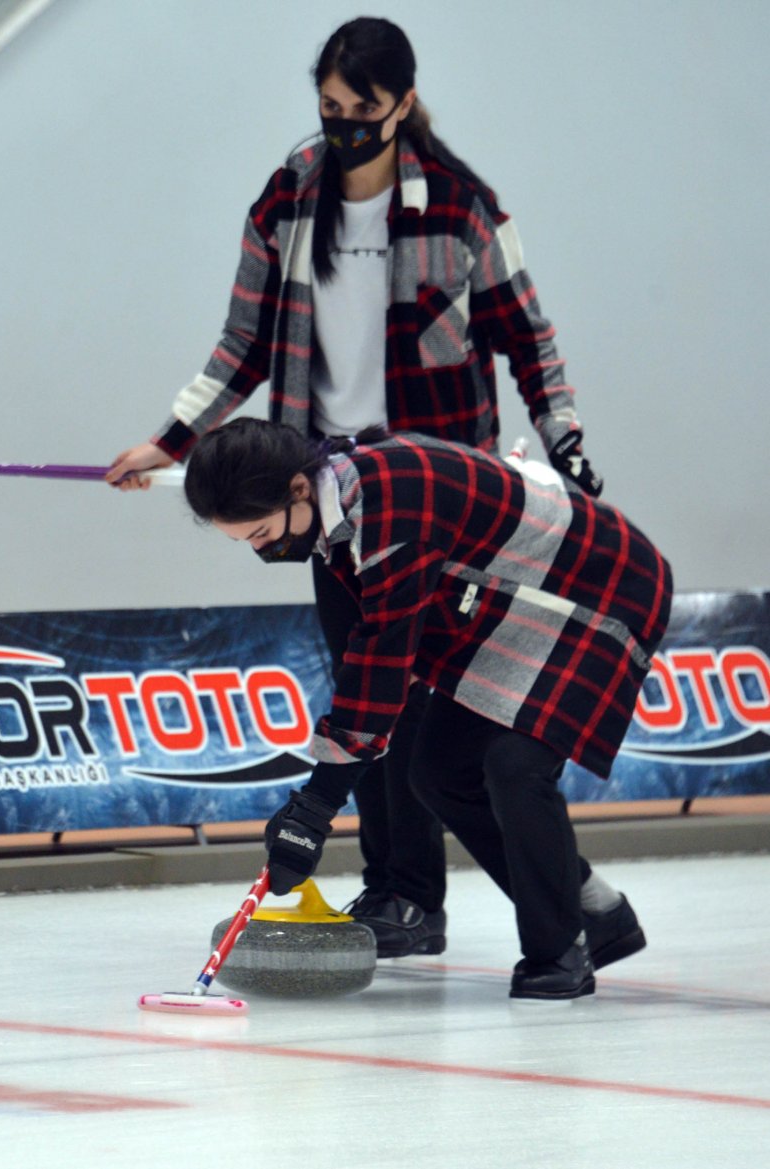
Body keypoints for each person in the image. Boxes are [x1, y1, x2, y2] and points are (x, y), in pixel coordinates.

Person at [106, 16, 603, 959]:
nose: (342, 127)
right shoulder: (291, 194)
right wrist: (171, 438)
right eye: (328, 108)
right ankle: (403, 894)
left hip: (446, 493)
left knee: (433, 698)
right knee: (368, 690)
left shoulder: (460, 205)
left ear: (401, 105)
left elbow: (527, 341)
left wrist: (565, 439)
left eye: (361, 111)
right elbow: (242, 340)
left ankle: (558, 902)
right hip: (323, 493)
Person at [182, 418, 672, 1000]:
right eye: (246, 542)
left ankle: (558, 952)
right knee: (440, 771)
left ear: (297, 489)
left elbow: (381, 665)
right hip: (514, 598)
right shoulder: (342, 501)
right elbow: (381, 653)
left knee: (517, 766)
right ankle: (597, 912)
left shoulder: (389, 511)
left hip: (605, 585)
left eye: (261, 533)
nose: (264, 551)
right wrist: (316, 804)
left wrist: (314, 808)